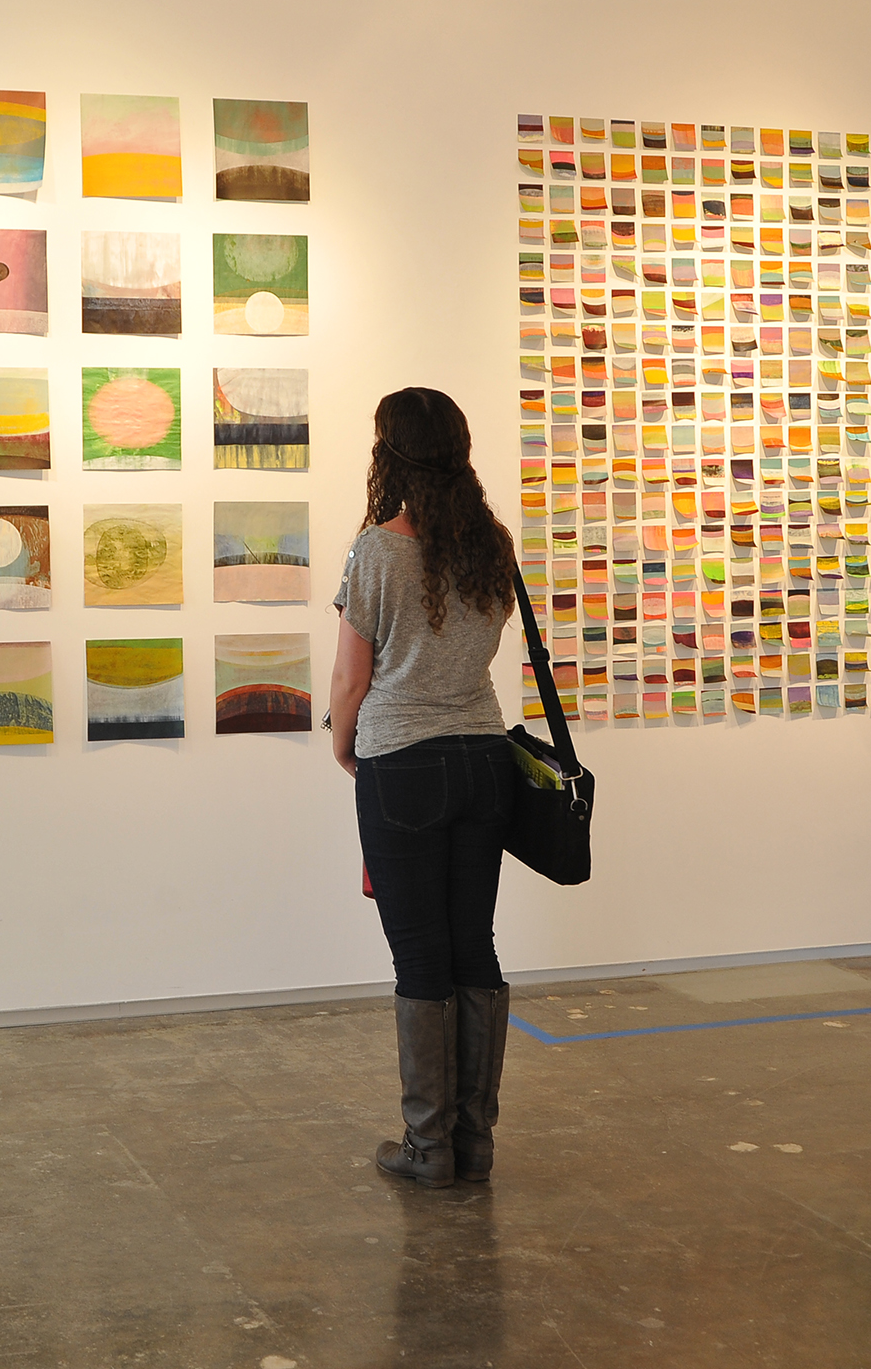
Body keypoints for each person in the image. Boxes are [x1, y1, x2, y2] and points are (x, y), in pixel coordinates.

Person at [329, 387, 521, 1190]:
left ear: (390, 454)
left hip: (403, 764)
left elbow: (350, 676)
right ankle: (473, 1144)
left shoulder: (378, 550)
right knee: (473, 941)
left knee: (419, 951)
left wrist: (345, 748)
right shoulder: (492, 544)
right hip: (484, 758)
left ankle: (427, 1147)